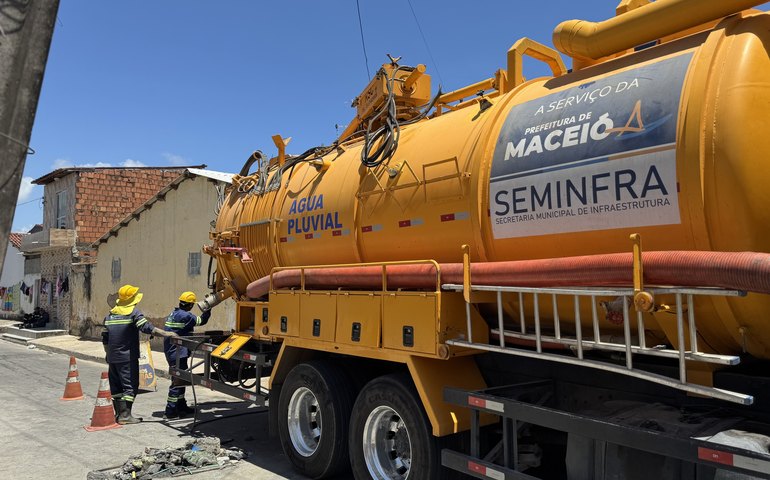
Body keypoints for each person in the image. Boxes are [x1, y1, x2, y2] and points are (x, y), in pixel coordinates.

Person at [104, 284, 177, 424]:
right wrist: (167, 333)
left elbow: (105, 339)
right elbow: (147, 328)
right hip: (127, 357)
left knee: (116, 386)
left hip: (113, 357)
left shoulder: (110, 315)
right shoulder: (133, 313)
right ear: (133, 300)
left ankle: (119, 414)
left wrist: (109, 355)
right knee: (130, 386)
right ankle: (125, 416)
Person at [163, 291, 211, 419]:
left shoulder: (173, 313)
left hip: (171, 350)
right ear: (190, 305)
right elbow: (202, 320)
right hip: (178, 352)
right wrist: (208, 308)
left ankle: (181, 405)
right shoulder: (186, 316)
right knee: (177, 380)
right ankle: (170, 410)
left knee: (181, 379)